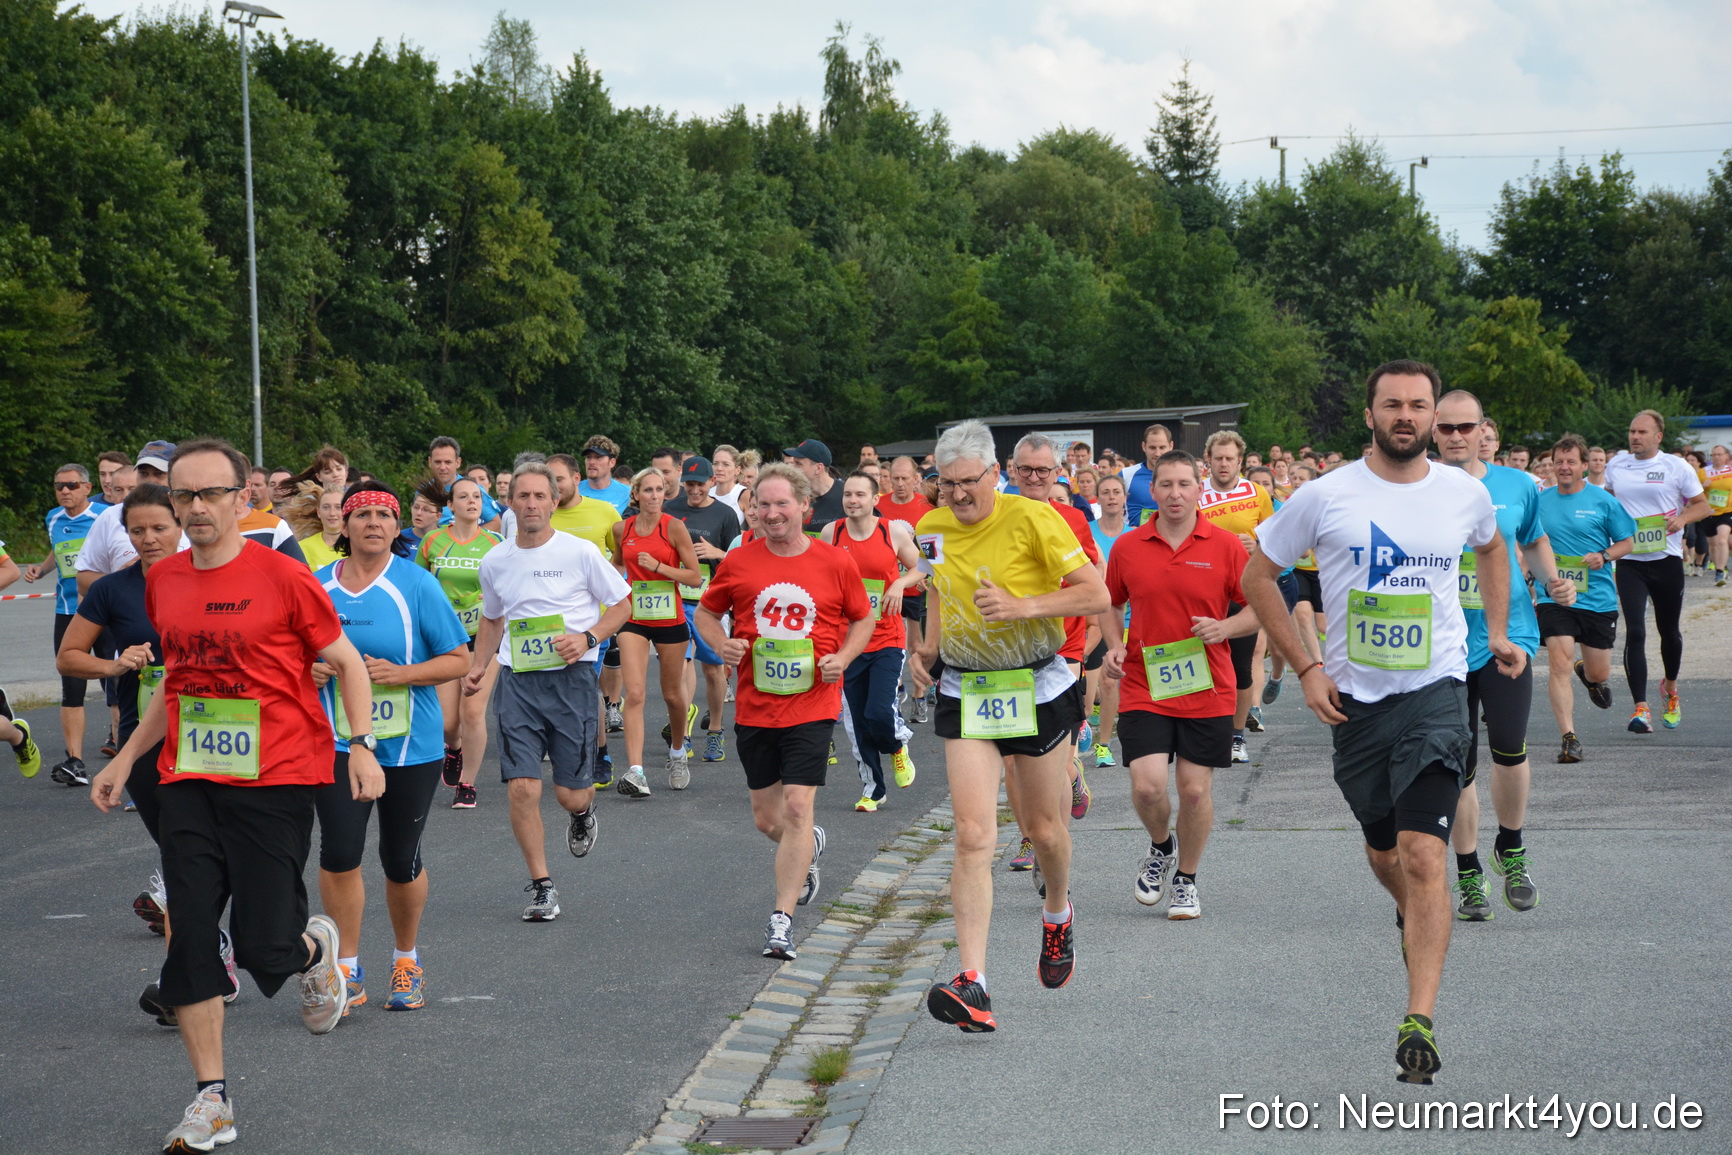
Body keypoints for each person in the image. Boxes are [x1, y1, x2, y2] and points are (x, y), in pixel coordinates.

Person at [88, 438, 381, 1153]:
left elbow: (345, 662)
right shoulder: (163, 579)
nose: (195, 508)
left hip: (277, 776)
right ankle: (211, 1098)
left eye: (210, 493)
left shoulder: (283, 575)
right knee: (190, 935)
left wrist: (362, 743)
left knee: (262, 946)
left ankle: (311, 950)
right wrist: (126, 756)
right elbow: (177, 681)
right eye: (183, 495)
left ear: (243, 497)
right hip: (190, 777)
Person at [1244, 360, 1518, 1086]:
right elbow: (1257, 577)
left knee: (1425, 854)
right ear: (1370, 414)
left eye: (1418, 405)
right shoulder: (1324, 494)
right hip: (1356, 706)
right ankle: (1416, 914)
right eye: (1392, 404)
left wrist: (1495, 631)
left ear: (1434, 416)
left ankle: (1418, 1018)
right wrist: (1306, 666)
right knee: (1385, 853)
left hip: (1437, 693)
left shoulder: (1463, 493)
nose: (1406, 415)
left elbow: (1493, 547)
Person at [911, 420, 1109, 1033]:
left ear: (995, 474)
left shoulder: (1034, 519)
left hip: (1037, 683)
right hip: (967, 687)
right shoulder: (931, 526)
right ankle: (974, 981)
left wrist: (1024, 606)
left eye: (967, 482)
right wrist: (929, 650)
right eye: (946, 484)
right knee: (973, 833)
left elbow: (1096, 595)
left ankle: (1057, 913)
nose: (957, 495)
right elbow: (938, 588)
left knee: (1043, 829)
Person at [696, 464, 875, 959]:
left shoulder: (834, 561)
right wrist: (721, 644)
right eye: (763, 505)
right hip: (756, 706)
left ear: (804, 508)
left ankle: (781, 920)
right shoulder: (739, 562)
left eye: (781, 504)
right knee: (767, 819)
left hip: (813, 703)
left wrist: (843, 658)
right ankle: (808, 845)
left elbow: (863, 618)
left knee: (797, 806)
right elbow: (707, 613)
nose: (771, 513)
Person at [311, 483, 470, 1016]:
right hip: (335, 741)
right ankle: (346, 969)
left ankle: (406, 959)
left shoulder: (417, 584)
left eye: (384, 515)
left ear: (397, 526)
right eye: (362, 515)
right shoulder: (317, 586)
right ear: (344, 526)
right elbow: (285, 654)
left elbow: (459, 659)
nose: (373, 523)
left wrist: (403, 674)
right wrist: (306, 669)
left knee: (400, 860)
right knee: (339, 851)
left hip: (409, 745)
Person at [466, 461, 631, 921]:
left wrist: (588, 638)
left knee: (570, 795)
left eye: (540, 495)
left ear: (554, 502)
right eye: (523, 496)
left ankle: (582, 812)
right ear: (510, 503)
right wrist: (479, 666)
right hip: (518, 682)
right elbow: (492, 619)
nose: (532, 504)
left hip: (572, 681)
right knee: (521, 788)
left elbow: (622, 604)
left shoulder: (579, 552)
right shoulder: (495, 560)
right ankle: (543, 886)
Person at [1432, 393, 1573, 923]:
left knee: (1510, 748)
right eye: (1447, 427)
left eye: (1466, 427)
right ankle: (1468, 871)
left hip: (1508, 636)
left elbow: (1533, 539)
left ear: (1482, 430)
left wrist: (1552, 581)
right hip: (1442, 644)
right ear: (1433, 431)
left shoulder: (1516, 485)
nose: (1456, 436)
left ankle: (1510, 847)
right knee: (1460, 764)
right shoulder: (1418, 486)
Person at [1105, 452, 1259, 919]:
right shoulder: (1128, 546)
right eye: (1166, 485)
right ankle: (1161, 846)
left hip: (1208, 685)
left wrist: (1225, 627)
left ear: (1199, 488)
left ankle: (1186, 880)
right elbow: (1110, 603)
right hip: (1144, 681)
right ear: (1152, 490)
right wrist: (1114, 645)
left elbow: (1259, 608)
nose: (1175, 494)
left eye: (1184, 484)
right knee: (1148, 787)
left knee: (1193, 791)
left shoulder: (1226, 546)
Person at [57, 484, 180, 941]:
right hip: (141, 734)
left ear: (180, 526)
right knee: (174, 839)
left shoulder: (207, 580)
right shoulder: (112, 589)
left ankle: (196, 929)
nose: (148, 539)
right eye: (137, 530)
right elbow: (68, 656)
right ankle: (196, 934)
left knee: (202, 841)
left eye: (159, 528)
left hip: (209, 730)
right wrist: (112, 665)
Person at [1009, 434, 1104, 825]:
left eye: (1042, 470)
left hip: (1064, 647)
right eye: (1026, 470)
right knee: (1015, 758)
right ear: (1012, 471)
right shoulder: (997, 516)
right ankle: (1029, 838)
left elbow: (1093, 577)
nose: (1034, 477)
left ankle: (1054, 839)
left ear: (1056, 472)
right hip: (1011, 649)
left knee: (1058, 755)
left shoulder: (1073, 519)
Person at [1603, 410, 1710, 731]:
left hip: (1666, 560)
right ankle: (1641, 709)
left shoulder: (1675, 466)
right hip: (1630, 561)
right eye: (1632, 431)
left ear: (1658, 436)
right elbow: (1607, 501)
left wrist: (1682, 519)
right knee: (1635, 631)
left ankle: (1671, 689)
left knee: (1669, 632)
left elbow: (1703, 505)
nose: (1635, 437)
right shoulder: (1616, 465)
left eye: (1642, 432)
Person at [822, 471, 923, 810]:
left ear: (875, 499)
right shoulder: (832, 532)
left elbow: (924, 566)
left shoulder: (891, 531)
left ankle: (896, 746)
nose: (852, 500)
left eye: (860, 495)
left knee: (879, 712)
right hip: (846, 642)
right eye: (848, 494)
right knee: (858, 723)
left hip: (886, 638)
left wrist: (899, 584)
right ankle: (873, 789)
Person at [1536, 435, 1636, 763]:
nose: (1564, 467)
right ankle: (1569, 737)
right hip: (1554, 596)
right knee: (1558, 664)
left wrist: (1604, 555)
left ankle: (1590, 678)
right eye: (1559, 462)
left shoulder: (1603, 500)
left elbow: (1627, 542)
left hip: (1596, 598)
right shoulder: (1539, 501)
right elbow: (1526, 543)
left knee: (1599, 673)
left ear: (1583, 465)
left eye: (1571, 462)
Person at [610, 466, 703, 794]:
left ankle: (677, 752)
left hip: (669, 619)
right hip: (634, 617)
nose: (653, 496)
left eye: (659, 490)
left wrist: (660, 567)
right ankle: (636, 771)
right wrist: (606, 586)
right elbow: (618, 563)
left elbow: (695, 577)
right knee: (635, 693)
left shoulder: (674, 527)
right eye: (647, 490)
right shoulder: (622, 528)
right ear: (635, 494)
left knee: (673, 695)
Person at [416, 476, 505, 808]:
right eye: (464, 497)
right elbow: (418, 587)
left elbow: (508, 588)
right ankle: (454, 748)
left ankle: (468, 783)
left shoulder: (496, 543)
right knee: (447, 722)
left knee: (473, 712)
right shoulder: (433, 540)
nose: (472, 502)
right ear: (450, 506)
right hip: (444, 640)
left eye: (477, 497)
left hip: (484, 638)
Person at [22, 462, 107, 784]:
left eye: (72, 485)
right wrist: (42, 569)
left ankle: (125, 751)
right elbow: (58, 550)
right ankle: (75, 761)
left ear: (87, 487)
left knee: (116, 685)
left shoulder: (104, 517)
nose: (65, 491)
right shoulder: (53, 518)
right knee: (71, 685)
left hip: (104, 611)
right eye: (59, 486)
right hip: (68, 612)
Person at [1196, 431, 1276, 762]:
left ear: (1240, 461)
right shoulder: (1196, 492)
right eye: (1218, 458)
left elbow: (1276, 541)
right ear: (1208, 460)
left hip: (1243, 592)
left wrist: (1257, 545)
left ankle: (1237, 736)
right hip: (1203, 590)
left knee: (1241, 667)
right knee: (1204, 666)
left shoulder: (1256, 493)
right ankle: (1205, 730)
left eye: (1230, 458)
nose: (1224, 464)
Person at [666, 456, 741, 763]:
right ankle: (682, 733)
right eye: (689, 484)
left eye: (700, 484)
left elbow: (739, 557)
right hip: (676, 598)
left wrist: (716, 552)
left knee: (712, 668)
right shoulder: (670, 509)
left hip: (711, 601)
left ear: (712, 482)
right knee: (681, 663)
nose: (694, 490)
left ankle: (715, 730)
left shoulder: (725, 514)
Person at [877, 457, 936, 723]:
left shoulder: (926, 506)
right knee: (887, 643)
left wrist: (928, 575)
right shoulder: (879, 505)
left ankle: (919, 696)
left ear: (916, 479)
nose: (900, 484)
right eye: (895, 478)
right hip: (885, 586)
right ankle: (896, 688)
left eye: (905, 478)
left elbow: (935, 547)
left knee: (915, 646)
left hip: (917, 584)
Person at [1086, 474, 1131, 767]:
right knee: (1108, 681)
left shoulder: (1135, 534)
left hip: (1132, 617)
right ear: (1098, 498)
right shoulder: (1086, 532)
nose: (1112, 497)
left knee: (1129, 683)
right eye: (1106, 492)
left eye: (1116, 492)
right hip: (1100, 616)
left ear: (1125, 497)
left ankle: (1133, 735)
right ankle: (1103, 745)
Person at [427, 436, 504, 530]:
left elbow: (496, 523)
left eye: (448, 462)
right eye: (438, 462)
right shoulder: (423, 490)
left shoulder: (473, 489)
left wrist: (468, 537)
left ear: (458, 462)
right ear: (430, 462)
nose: (442, 467)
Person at [784, 439, 845, 535]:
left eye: (798, 464)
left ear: (818, 468)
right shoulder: (794, 496)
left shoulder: (846, 495)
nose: (792, 469)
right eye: (793, 463)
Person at [1120, 423, 1175, 527]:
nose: (1157, 453)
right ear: (1144, 446)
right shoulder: (1126, 475)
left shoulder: (1182, 475)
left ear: (1171, 446)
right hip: (1137, 536)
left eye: (1162, 447)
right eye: (1152, 448)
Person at [284, 482, 346, 571]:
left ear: (346, 511)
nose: (332, 513)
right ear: (319, 512)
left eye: (338, 507)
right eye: (326, 507)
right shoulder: (302, 548)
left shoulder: (356, 547)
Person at [1696, 444, 1732, 584]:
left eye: (1719, 454)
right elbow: (1694, 492)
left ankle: (1720, 571)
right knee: (1713, 544)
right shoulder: (1703, 472)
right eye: (1713, 455)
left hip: (1727, 511)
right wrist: (1702, 487)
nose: (1716, 457)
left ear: (1726, 456)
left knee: (1722, 539)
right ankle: (1720, 567)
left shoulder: (1730, 471)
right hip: (1709, 512)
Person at [580, 435, 632, 512]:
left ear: (612, 462)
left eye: (598, 457)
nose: (591, 462)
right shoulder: (574, 491)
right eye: (588, 457)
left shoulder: (628, 494)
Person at [711, 444, 747, 514]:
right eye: (715, 463)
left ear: (737, 470)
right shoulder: (707, 494)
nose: (719, 468)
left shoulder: (744, 495)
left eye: (726, 464)